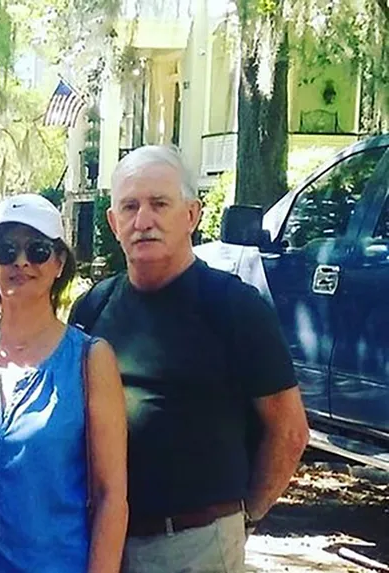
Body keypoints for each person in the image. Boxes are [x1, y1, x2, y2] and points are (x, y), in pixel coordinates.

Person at [70, 145, 310, 573]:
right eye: (129, 206)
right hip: (103, 544)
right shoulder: (92, 309)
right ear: (113, 222)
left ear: (192, 215)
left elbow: (289, 431)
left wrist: (244, 517)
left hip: (196, 546)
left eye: (159, 204)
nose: (143, 220)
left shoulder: (235, 308)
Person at [0, 194, 129, 573]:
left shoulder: (90, 361)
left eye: (38, 249)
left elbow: (111, 496)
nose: (21, 261)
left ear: (59, 262)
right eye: (6, 249)